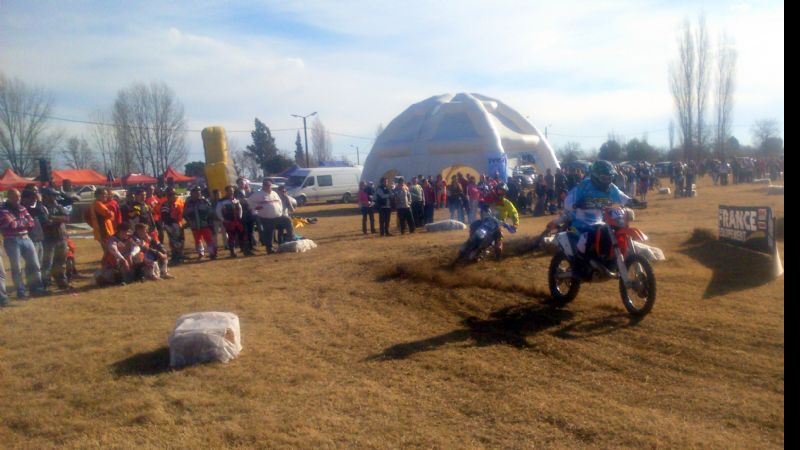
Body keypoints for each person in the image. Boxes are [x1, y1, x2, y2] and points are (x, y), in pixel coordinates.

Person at [547, 160, 631, 263]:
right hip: (580, 222)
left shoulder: (611, 188)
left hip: (599, 222)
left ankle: (607, 259)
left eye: (609, 178)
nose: (607, 181)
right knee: (587, 238)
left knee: (611, 233)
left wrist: (632, 201)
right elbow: (568, 202)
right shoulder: (584, 185)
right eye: (604, 178)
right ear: (595, 176)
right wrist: (576, 204)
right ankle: (579, 264)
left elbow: (623, 197)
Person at [0, 189, 48, 298]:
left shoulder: (22, 208)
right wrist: (23, 222)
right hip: (12, 240)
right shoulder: (2, 209)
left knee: (34, 264)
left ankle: (37, 288)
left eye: (19, 196)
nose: (18, 199)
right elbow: (11, 224)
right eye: (16, 197)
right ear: (10, 197)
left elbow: (31, 222)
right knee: (17, 267)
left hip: (26, 238)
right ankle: (21, 291)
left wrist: (20, 222)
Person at [472, 183, 519, 259]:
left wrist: (515, 224)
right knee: (474, 226)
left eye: (503, 191)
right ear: (496, 191)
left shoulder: (507, 203)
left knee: (499, 236)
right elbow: (482, 200)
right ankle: (471, 242)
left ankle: (497, 255)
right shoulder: (490, 198)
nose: (500, 193)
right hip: (487, 220)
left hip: (499, 223)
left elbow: (514, 213)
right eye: (499, 191)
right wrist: (482, 204)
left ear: (505, 193)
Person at [40, 188, 71, 290]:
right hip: (48, 239)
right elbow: (46, 222)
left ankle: (62, 282)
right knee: (47, 263)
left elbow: (67, 218)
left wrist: (53, 218)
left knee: (61, 262)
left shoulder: (58, 206)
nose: (55, 198)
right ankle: (45, 284)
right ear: (46, 196)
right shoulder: (41, 207)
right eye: (52, 196)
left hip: (61, 237)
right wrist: (58, 218)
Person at [248, 180, 288, 254]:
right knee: (269, 233)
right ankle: (269, 248)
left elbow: (279, 202)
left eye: (270, 185)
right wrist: (255, 207)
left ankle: (285, 242)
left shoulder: (274, 193)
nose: (269, 187)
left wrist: (280, 211)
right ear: (263, 186)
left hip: (277, 216)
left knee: (286, 222)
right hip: (266, 217)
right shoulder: (258, 194)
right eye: (267, 185)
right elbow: (250, 201)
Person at [183, 186, 217, 260]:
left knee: (208, 239)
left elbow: (210, 212)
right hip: (194, 225)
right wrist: (189, 222)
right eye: (195, 192)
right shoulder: (188, 203)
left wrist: (209, 221)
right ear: (192, 193)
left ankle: (212, 253)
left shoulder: (205, 201)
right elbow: (185, 214)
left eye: (199, 192)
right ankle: (201, 254)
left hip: (205, 224)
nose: (198, 193)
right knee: (198, 240)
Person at [216, 185, 248, 257]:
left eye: (232, 191)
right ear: (226, 191)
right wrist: (223, 220)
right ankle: (232, 252)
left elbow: (240, 208)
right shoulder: (221, 201)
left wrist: (240, 216)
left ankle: (245, 250)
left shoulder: (235, 199)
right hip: (229, 221)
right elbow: (218, 211)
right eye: (230, 190)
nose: (232, 192)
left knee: (242, 235)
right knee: (231, 236)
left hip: (237, 220)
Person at [21, 189, 47, 265]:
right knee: (33, 264)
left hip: (38, 239)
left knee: (39, 263)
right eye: (32, 198)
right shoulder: (23, 209)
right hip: (31, 240)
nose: (34, 200)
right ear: (24, 199)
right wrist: (39, 201)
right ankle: (31, 277)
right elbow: (39, 210)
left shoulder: (31, 208)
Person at [160, 188, 186, 264]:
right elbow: (165, 217)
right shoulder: (165, 205)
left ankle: (180, 255)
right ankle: (175, 257)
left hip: (179, 224)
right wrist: (173, 224)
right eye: (172, 195)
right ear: (168, 196)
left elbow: (182, 213)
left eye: (175, 195)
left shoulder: (178, 203)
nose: (174, 196)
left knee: (181, 240)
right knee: (174, 241)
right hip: (171, 225)